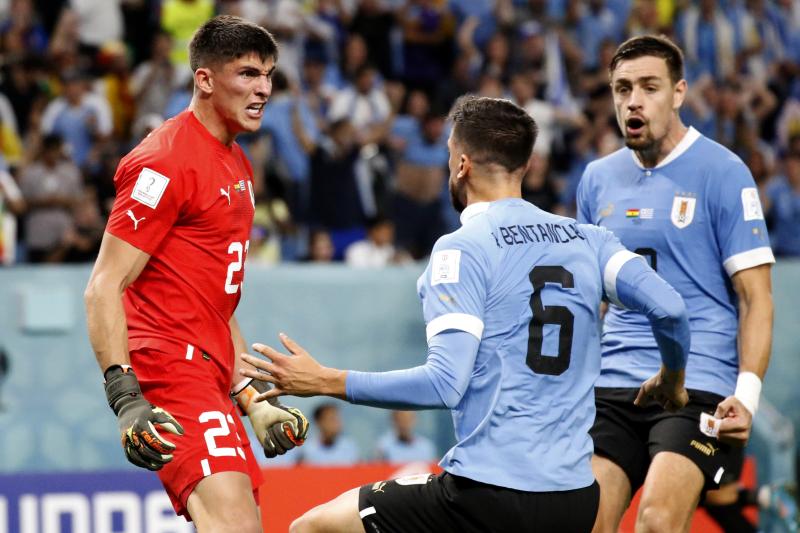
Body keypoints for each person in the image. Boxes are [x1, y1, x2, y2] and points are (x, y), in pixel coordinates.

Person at [240, 95, 692, 533]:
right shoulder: (588, 239)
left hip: (488, 495)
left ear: (461, 165)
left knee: (315, 526)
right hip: (575, 498)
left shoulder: (460, 250)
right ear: (526, 166)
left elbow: (445, 382)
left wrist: (325, 381)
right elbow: (670, 309)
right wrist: (672, 375)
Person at [84, 16, 309, 532]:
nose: (264, 89)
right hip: (170, 370)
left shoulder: (237, 165)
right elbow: (103, 286)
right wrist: (126, 398)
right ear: (204, 79)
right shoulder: (162, 162)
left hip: (211, 376)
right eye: (248, 73)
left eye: (269, 75)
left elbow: (214, 304)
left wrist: (250, 397)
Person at [576, 35, 775, 533]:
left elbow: (756, 298)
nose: (633, 101)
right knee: (585, 523)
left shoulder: (724, 172)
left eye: (649, 87)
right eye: (622, 89)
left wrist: (747, 395)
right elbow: (592, 300)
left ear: (679, 92)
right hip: (613, 382)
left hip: (696, 382)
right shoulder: (597, 179)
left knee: (657, 522)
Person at [296, 402, 361, 466]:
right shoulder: (306, 450)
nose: (337, 423)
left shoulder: (349, 447)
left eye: (337, 419)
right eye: (331, 419)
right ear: (319, 422)